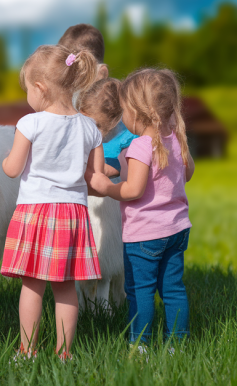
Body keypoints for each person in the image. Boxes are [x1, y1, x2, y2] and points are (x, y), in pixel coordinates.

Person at [0, 44, 103, 360]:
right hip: (72, 213)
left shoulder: (30, 123)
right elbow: (95, 177)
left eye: (28, 88)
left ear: (40, 88)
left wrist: (4, 160)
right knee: (65, 287)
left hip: (36, 212)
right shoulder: (90, 127)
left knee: (32, 287)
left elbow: (13, 168)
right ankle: (64, 353)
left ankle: (27, 350)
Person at [89, 68, 195, 347]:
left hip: (145, 236)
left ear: (136, 112)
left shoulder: (140, 146)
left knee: (140, 291)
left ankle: (140, 345)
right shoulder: (175, 140)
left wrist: (106, 187)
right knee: (173, 290)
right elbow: (188, 172)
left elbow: (133, 190)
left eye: (123, 109)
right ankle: (177, 345)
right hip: (177, 230)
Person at [59, 24, 136, 176]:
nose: (71, 88)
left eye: (80, 79)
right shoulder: (65, 110)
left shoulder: (121, 122)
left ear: (101, 74)